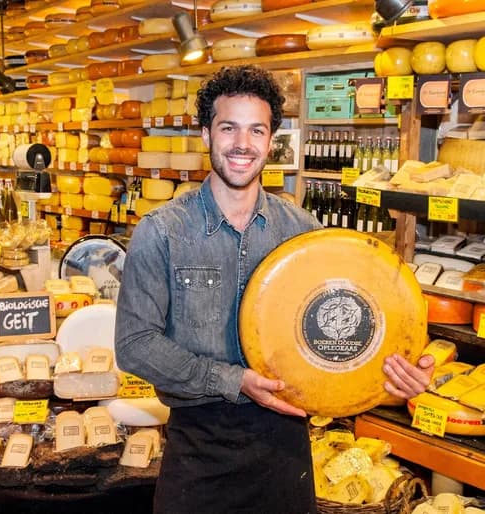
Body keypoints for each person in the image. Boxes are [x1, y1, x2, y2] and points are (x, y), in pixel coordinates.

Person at [115, 65, 434, 514]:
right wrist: (234, 380)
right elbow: (135, 345)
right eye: (229, 128)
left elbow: (340, 334)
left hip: (285, 454)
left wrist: (392, 375)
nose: (242, 144)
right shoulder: (163, 232)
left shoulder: (306, 235)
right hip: (199, 451)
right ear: (206, 134)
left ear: (270, 141)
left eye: (256, 130)